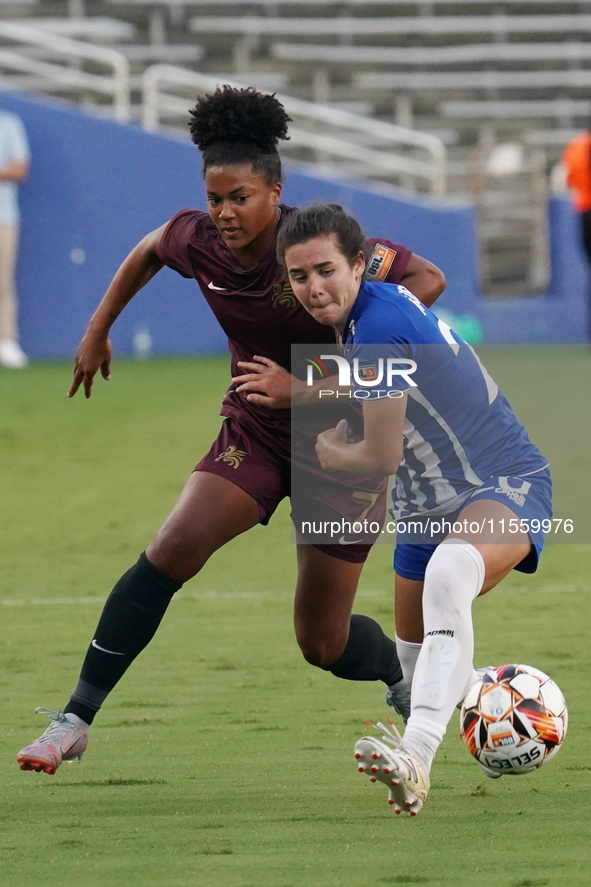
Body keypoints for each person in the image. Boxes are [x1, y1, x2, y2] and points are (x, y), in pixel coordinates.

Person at [16, 87, 447, 775]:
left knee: (322, 642)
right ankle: (74, 717)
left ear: (275, 191)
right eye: (215, 198)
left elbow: (428, 277)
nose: (224, 213)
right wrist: (99, 328)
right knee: (172, 545)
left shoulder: (314, 243)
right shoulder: (201, 240)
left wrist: (331, 369)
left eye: (240, 197)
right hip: (258, 428)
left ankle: (403, 681)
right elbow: (150, 249)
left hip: (347, 443)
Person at [277, 203, 552, 817]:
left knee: (448, 578)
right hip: (424, 504)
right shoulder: (370, 313)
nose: (314, 288)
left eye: (325, 270)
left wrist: (331, 450)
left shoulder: (376, 327)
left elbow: (379, 454)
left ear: (356, 264)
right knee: (414, 656)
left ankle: (416, 757)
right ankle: (507, 712)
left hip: (501, 478)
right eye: (299, 277)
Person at [0, 106, 30, 369]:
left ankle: (6, 341)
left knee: (2, 281)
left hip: (3, 216)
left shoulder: (8, 123)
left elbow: (20, 168)